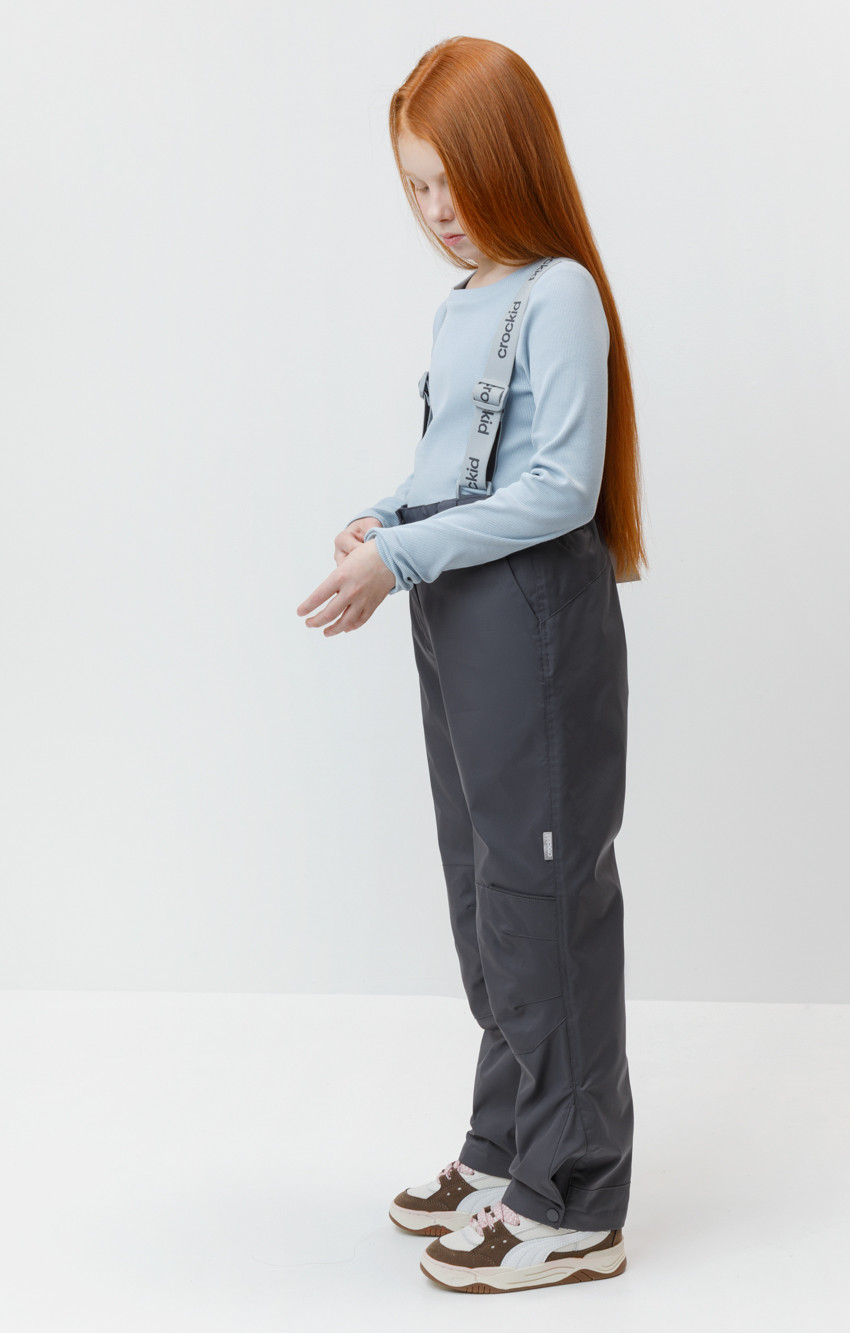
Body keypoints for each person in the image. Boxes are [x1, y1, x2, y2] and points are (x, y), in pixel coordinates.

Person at [296, 35, 647, 1295]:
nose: (438, 211)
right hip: (461, 620)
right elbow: (458, 470)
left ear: (513, 160)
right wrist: (384, 518)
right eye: (416, 187)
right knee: (486, 894)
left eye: (454, 178)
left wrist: (402, 557)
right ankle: (505, 1148)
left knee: (544, 898)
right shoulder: (466, 304)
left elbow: (557, 489)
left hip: (532, 623)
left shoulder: (557, 292)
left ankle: (574, 1198)